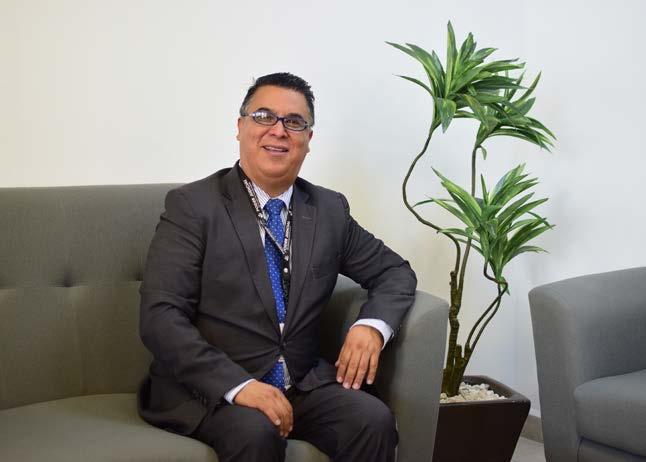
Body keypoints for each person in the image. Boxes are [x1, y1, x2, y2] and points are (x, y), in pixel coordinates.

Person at [137, 72, 417, 462]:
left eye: (294, 122)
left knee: (372, 420)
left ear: (308, 139)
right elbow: (160, 317)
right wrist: (239, 386)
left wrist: (370, 327)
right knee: (256, 431)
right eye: (264, 116)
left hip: (302, 384)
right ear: (240, 127)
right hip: (213, 390)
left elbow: (394, 272)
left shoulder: (329, 210)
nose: (279, 130)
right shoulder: (193, 207)